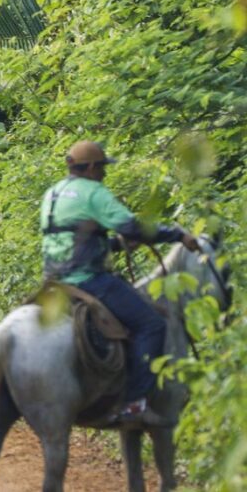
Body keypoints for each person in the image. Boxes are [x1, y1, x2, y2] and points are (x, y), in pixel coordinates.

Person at [40, 140, 200, 424]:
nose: (104, 173)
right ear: (89, 167)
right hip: (88, 279)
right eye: (101, 167)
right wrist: (176, 235)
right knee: (151, 324)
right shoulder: (93, 192)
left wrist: (114, 245)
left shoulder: (53, 193)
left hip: (53, 281)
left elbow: (70, 240)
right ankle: (134, 403)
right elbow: (133, 226)